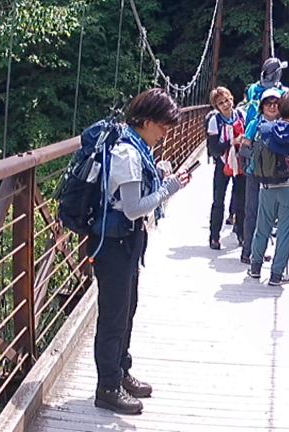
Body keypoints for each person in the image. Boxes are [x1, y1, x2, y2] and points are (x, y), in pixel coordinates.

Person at [93, 88, 191, 415]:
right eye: (163, 126)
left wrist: (160, 176)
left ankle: (120, 372)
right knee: (114, 316)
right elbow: (133, 208)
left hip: (128, 242)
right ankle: (107, 388)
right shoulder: (128, 154)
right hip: (115, 245)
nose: (167, 133)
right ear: (146, 121)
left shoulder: (139, 148)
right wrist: (169, 188)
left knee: (128, 308)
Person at [248, 91, 289, 286]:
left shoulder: (267, 128)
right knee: (285, 232)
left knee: (263, 227)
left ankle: (255, 267)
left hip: (267, 186)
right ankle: (277, 275)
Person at [238, 87, 283, 265]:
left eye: (275, 103)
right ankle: (248, 250)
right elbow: (244, 147)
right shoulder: (254, 124)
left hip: (274, 175)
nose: (272, 107)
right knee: (252, 211)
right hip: (255, 174)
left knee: (269, 215)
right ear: (262, 106)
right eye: (268, 103)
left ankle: (261, 249)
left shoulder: (284, 126)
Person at [206, 87, 247, 249]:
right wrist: (231, 142)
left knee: (241, 201)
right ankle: (214, 237)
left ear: (233, 99)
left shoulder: (241, 116)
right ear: (216, 106)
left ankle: (242, 235)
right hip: (223, 164)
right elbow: (213, 148)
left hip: (240, 163)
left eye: (227, 100)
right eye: (221, 103)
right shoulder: (214, 121)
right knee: (218, 201)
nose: (226, 104)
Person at [242, 57, 287, 124]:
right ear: (277, 73)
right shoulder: (282, 92)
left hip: (250, 125)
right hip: (273, 127)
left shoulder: (251, 88)